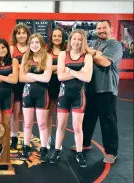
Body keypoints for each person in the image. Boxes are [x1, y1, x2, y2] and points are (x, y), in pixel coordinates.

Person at [70, 20, 123, 164]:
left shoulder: (115, 45)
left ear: (110, 29)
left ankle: (111, 152)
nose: (101, 30)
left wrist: (90, 54)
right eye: (99, 28)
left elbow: (104, 62)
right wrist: (94, 52)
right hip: (90, 88)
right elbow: (81, 53)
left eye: (104, 28)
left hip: (107, 89)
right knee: (88, 119)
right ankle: (85, 143)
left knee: (108, 121)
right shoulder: (93, 43)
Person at [50, 29, 93, 168]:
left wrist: (69, 70)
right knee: (61, 125)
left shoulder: (87, 57)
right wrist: (79, 73)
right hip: (64, 95)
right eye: (74, 38)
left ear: (83, 41)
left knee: (77, 127)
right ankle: (57, 150)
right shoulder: (63, 54)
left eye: (80, 39)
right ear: (70, 40)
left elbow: (87, 77)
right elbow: (60, 77)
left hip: (78, 96)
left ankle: (79, 153)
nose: (76, 41)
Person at [19, 34, 52, 162]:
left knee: (42, 124)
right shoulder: (26, 57)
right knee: (27, 123)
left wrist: (30, 74)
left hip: (42, 94)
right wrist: (39, 76)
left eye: (37, 42)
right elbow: (21, 78)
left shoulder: (47, 57)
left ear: (41, 44)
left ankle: (43, 149)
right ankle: (26, 148)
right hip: (27, 94)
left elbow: (47, 78)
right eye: (32, 42)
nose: (34, 45)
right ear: (29, 44)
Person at [9, 23, 31, 150]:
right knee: (15, 113)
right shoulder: (12, 49)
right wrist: (23, 68)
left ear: (27, 34)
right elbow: (10, 67)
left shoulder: (32, 47)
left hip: (29, 83)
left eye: (24, 33)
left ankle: (25, 139)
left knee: (26, 114)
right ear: (15, 35)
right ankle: (14, 137)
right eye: (19, 33)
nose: (21, 35)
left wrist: (18, 67)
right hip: (16, 85)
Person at [46, 28, 66, 150]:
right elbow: (44, 67)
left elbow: (66, 67)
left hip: (62, 85)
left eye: (59, 36)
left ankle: (59, 140)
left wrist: (52, 68)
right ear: (51, 37)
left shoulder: (66, 51)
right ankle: (47, 137)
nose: (57, 38)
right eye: (55, 36)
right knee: (48, 114)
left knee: (60, 114)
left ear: (62, 38)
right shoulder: (46, 51)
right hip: (48, 85)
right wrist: (59, 67)